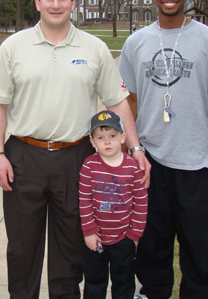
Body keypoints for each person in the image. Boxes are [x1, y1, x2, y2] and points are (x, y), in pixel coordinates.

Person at [0, 0, 151, 299]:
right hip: (23, 156)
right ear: (37, 2)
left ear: (73, 2)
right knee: (21, 249)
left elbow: (118, 102)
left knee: (70, 250)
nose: (56, 4)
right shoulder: (13, 47)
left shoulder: (94, 48)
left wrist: (136, 148)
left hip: (76, 158)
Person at [118, 0, 208, 299]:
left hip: (197, 160)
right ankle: (153, 292)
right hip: (151, 160)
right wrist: (129, 151)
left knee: (199, 244)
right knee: (152, 244)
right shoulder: (136, 42)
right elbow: (130, 101)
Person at [79, 110, 148, 299]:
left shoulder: (132, 167)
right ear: (92, 142)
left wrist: (134, 235)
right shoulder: (88, 166)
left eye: (112, 136)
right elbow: (84, 200)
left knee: (124, 283)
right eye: (100, 137)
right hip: (96, 240)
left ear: (123, 137)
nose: (107, 142)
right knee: (94, 283)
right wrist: (89, 231)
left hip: (123, 238)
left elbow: (141, 203)